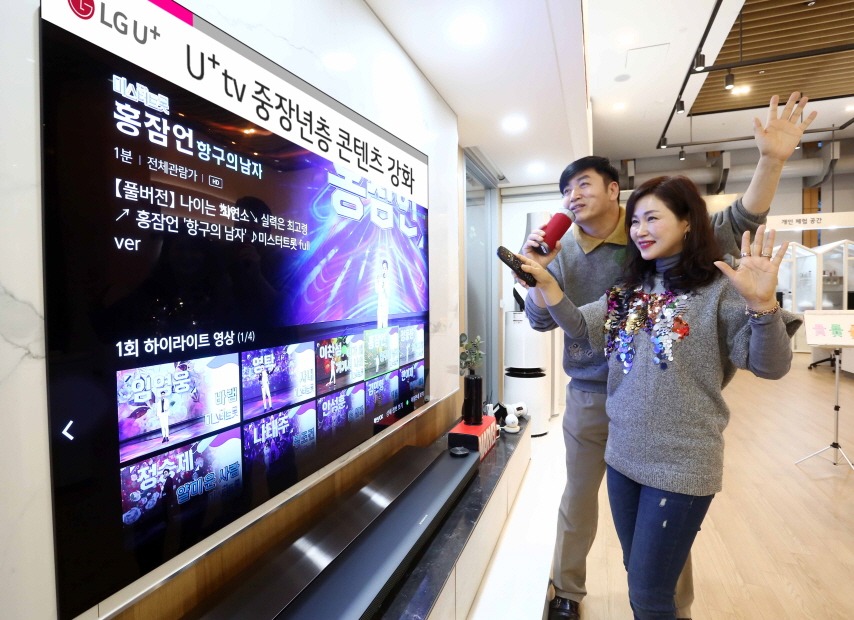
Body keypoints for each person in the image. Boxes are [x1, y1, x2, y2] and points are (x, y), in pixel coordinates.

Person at [519, 92, 815, 620]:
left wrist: (771, 160)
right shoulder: (576, 259)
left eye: (582, 183)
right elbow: (554, 321)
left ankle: (670, 603)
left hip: (678, 432)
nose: (572, 195)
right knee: (582, 503)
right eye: (565, 189)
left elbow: (745, 216)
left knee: (656, 568)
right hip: (597, 397)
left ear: (614, 189)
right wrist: (537, 278)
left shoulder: (688, 261)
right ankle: (569, 591)